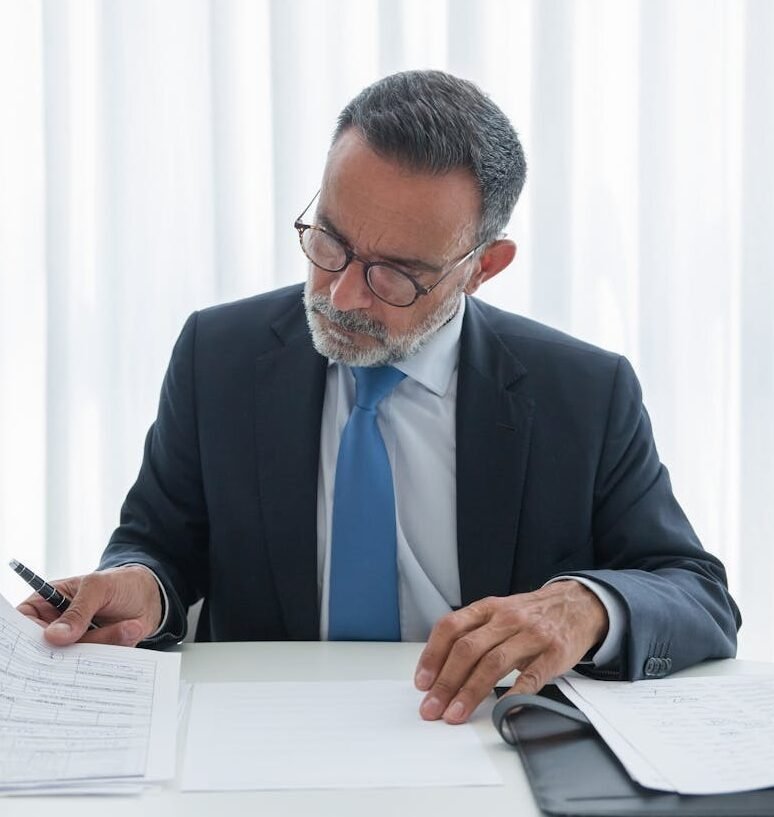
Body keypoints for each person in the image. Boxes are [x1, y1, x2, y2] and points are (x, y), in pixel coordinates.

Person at [20, 70, 740, 725]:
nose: (340, 295)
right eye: (329, 242)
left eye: (395, 274)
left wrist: (586, 606)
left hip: (483, 745)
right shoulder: (219, 355)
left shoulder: (582, 392)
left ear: (482, 267)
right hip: (259, 736)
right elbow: (161, 544)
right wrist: (141, 587)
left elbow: (698, 594)